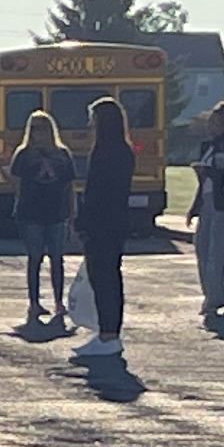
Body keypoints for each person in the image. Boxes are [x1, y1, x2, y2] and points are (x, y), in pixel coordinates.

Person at [73, 95, 133, 362]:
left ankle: (109, 335)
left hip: (103, 223)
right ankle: (107, 333)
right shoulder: (124, 150)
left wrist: (83, 220)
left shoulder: (105, 152)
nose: (90, 125)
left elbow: (96, 192)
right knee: (109, 277)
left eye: (93, 119)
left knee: (104, 278)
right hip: (116, 222)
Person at [9, 110, 76, 325]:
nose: (38, 133)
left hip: (56, 212)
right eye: (34, 128)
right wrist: (17, 209)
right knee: (34, 258)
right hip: (30, 213)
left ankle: (58, 301)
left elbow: (70, 185)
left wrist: (72, 211)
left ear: (51, 130)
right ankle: (34, 302)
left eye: (43, 128)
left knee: (57, 258)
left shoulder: (62, 155)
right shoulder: (23, 155)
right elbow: (17, 184)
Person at [190, 102, 224, 324]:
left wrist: (207, 171)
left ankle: (213, 298)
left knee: (216, 255)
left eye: (216, 123)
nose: (212, 127)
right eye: (210, 122)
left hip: (223, 203)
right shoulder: (206, 146)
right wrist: (194, 207)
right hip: (207, 203)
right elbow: (203, 184)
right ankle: (220, 294)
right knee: (201, 248)